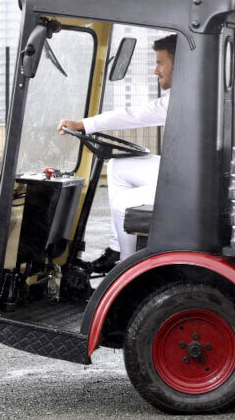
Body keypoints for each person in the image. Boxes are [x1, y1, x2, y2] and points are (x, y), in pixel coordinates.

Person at [57, 34, 176, 272]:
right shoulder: (182, 96)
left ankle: (127, 271)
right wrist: (83, 124)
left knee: (123, 203)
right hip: (181, 169)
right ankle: (117, 250)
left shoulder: (188, 99)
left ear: (178, 65)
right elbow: (135, 114)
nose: (155, 70)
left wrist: (83, 125)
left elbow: (136, 115)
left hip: (188, 180)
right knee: (118, 167)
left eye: (160, 63)